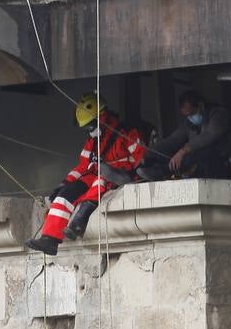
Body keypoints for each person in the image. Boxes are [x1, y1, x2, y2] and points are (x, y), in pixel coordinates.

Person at [27, 94, 147, 255]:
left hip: (120, 177)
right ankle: (49, 239)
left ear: (102, 117)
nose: (89, 131)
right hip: (96, 175)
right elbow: (82, 166)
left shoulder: (128, 134)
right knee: (65, 195)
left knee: (101, 179)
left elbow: (141, 159)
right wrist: (64, 183)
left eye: (90, 126)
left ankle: (79, 221)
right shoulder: (93, 141)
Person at [138, 90, 231, 181]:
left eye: (192, 114)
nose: (190, 118)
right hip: (203, 164)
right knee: (171, 154)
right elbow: (173, 140)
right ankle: (154, 169)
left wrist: (183, 151)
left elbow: (208, 137)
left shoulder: (219, 114)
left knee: (193, 154)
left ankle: (162, 172)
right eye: (187, 116)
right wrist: (148, 152)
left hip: (224, 162)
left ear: (201, 106)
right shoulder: (189, 123)